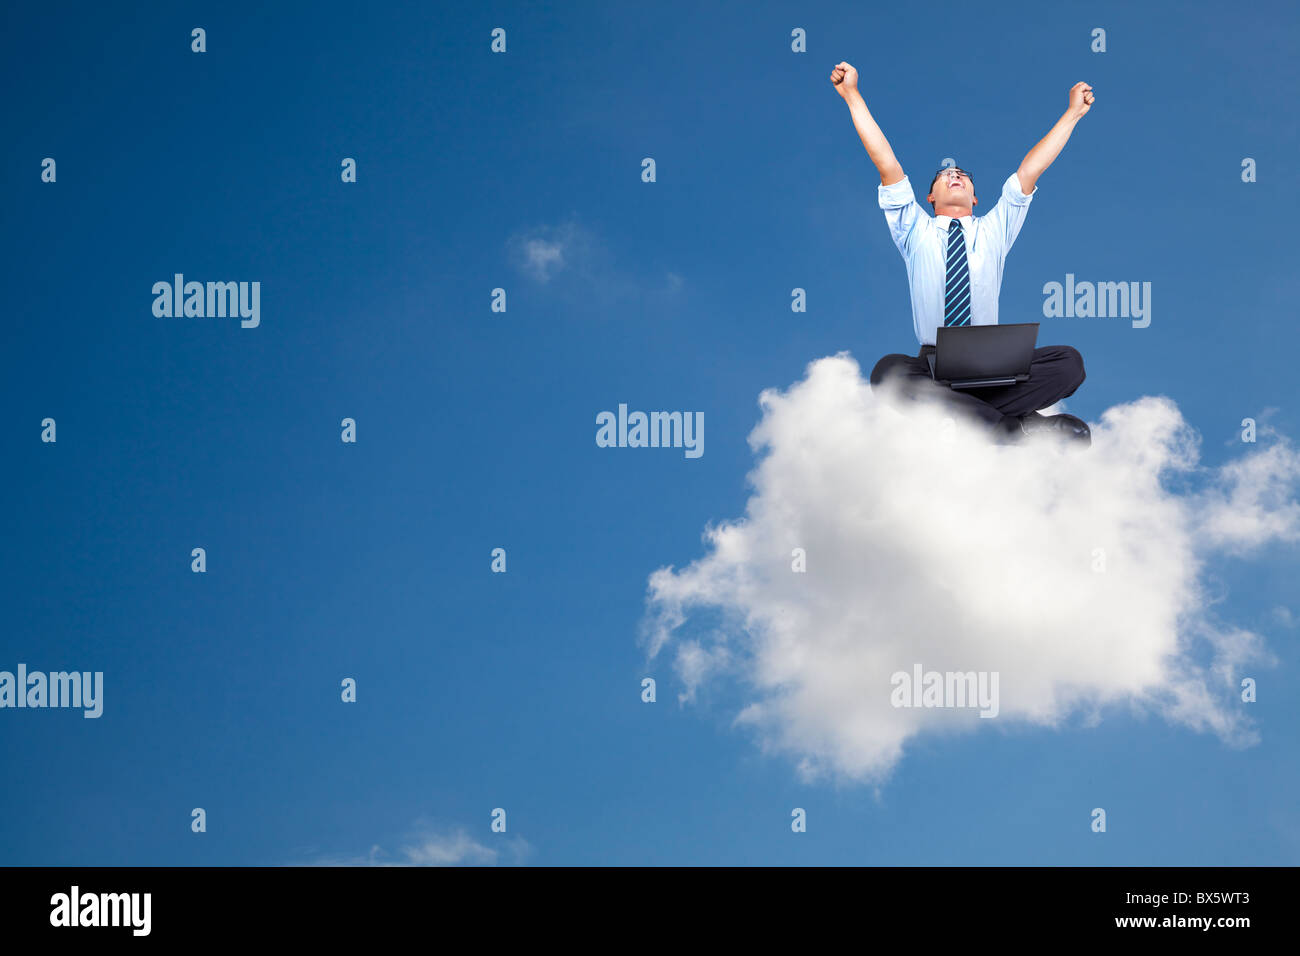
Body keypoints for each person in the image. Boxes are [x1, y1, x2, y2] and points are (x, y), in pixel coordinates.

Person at [830, 60, 1094, 446]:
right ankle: (1017, 427)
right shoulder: (913, 229)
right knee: (887, 374)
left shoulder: (993, 230)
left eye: (963, 176)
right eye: (944, 176)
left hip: (994, 364)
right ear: (930, 197)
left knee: (1069, 364)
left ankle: (975, 417)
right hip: (934, 365)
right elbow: (885, 162)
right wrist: (853, 96)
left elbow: (1030, 171)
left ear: (974, 196)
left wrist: (1072, 114)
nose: (954, 175)